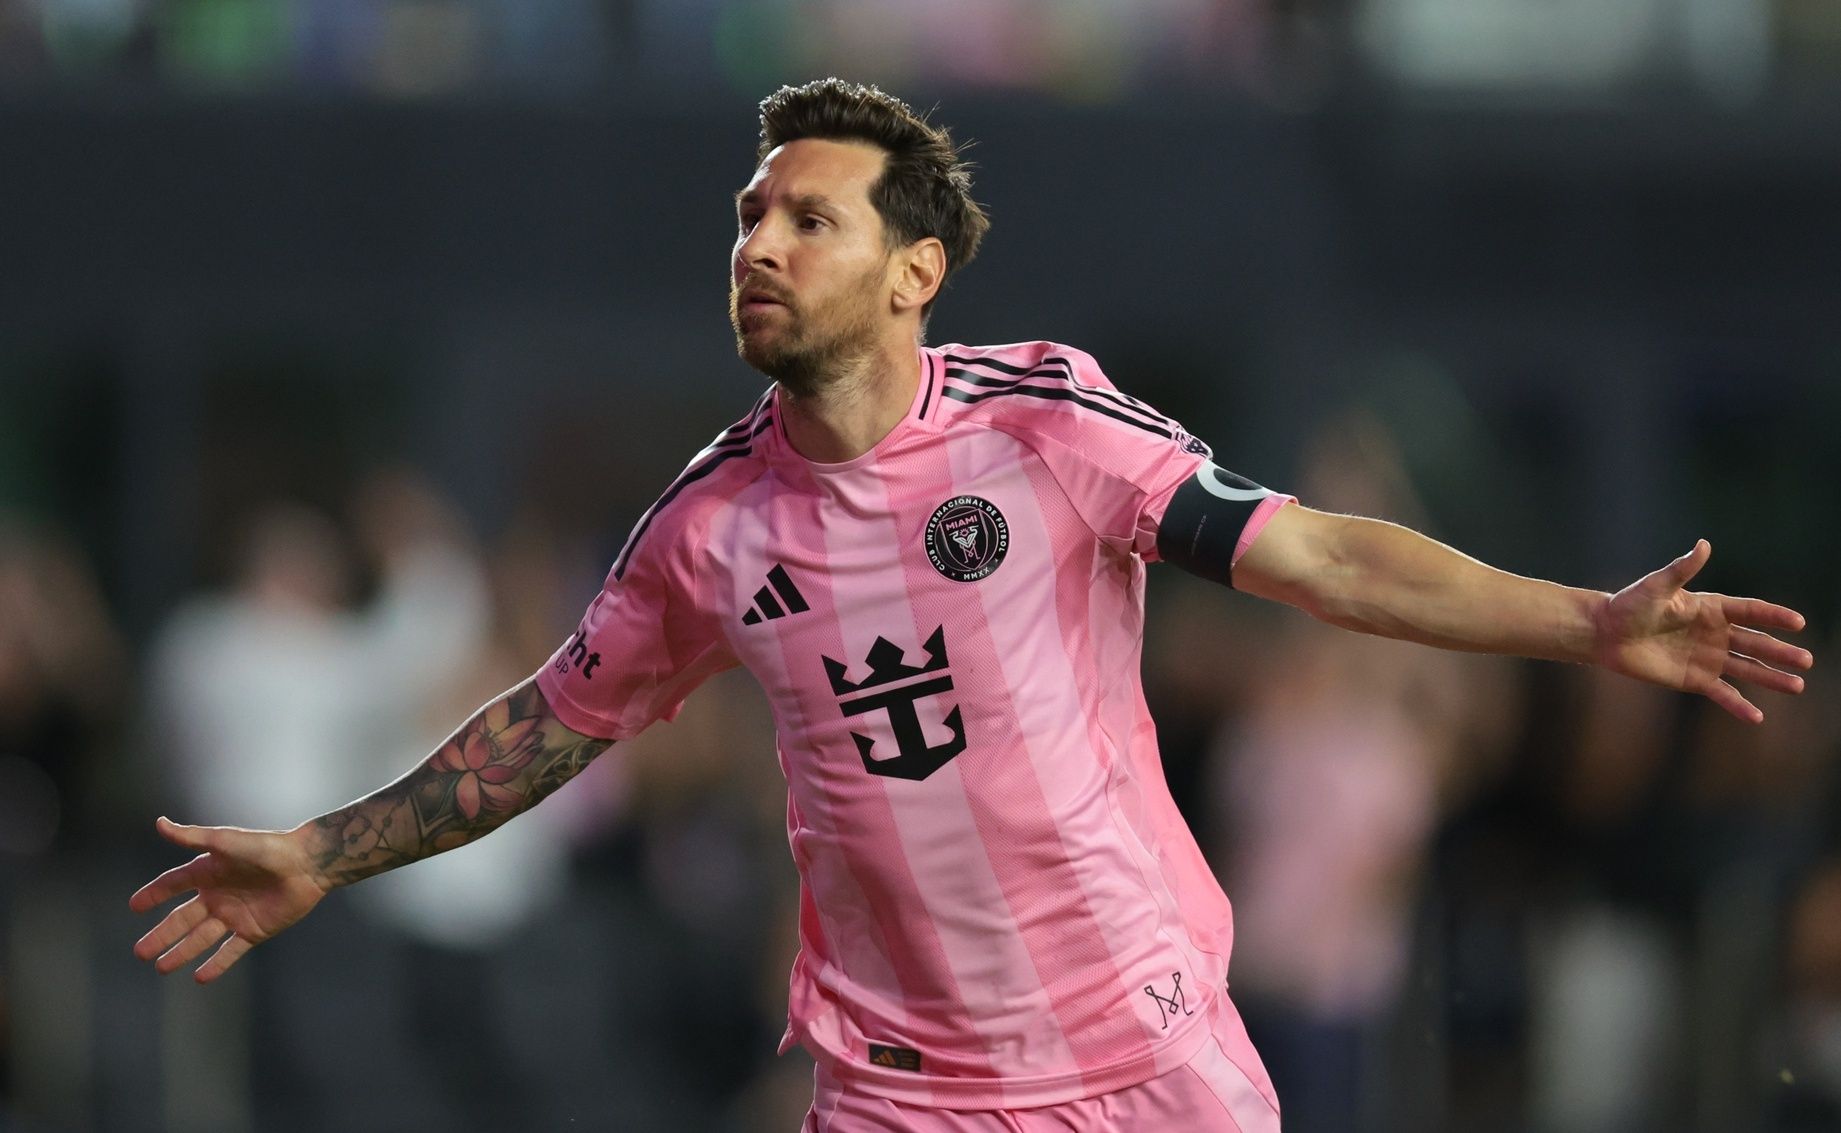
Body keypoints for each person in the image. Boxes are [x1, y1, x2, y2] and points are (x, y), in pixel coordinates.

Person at [130, 79, 1814, 1131]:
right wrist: (323, 849)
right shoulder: (709, 529)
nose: (759, 244)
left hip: (1145, 1061)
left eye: (809, 217)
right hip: (898, 1096)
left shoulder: (1046, 425)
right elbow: (547, 726)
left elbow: (1326, 558)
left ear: (914, 272)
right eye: (747, 216)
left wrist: (1583, 624)